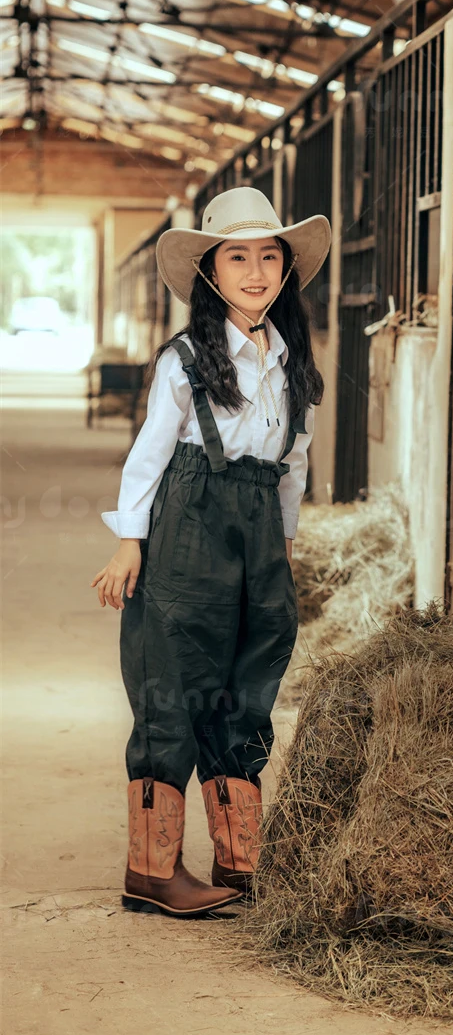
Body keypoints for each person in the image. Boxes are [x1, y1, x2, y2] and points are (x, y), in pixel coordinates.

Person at [91, 187, 332, 917]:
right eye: (238, 257)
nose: (255, 271)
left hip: (260, 531)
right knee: (176, 675)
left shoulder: (293, 367)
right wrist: (130, 541)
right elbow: (149, 455)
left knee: (251, 673)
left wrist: (282, 551)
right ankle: (153, 867)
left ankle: (239, 857)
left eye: (268, 256)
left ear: (286, 270)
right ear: (211, 272)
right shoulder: (186, 360)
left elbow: (293, 466)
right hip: (189, 525)